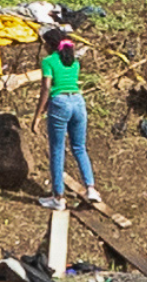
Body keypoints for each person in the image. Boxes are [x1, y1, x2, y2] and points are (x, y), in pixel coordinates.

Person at [30, 28, 102, 211]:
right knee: (79, 147)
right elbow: (64, 85)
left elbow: (47, 88)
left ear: (49, 45)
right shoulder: (73, 62)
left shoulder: (48, 61)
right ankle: (91, 188)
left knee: (57, 150)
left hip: (60, 103)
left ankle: (58, 198)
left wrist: (37, 116)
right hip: (78, 102)